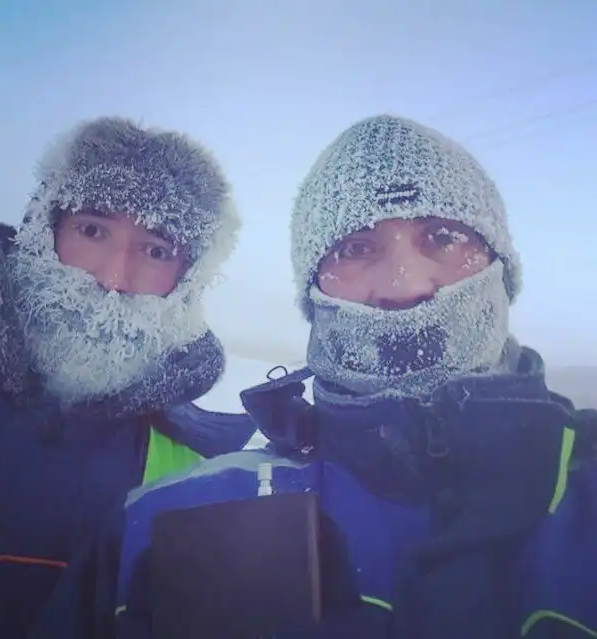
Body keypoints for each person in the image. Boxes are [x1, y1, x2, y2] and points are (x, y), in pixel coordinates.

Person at [32, 115, 597, 639]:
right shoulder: (166, 521)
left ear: (502, 266)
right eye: (357, 247)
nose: (403, 284)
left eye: (444, 238)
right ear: (312, 291)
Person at [0, 116, 255, 639]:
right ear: (42, 230)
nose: (113, 279)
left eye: (156, 250)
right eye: (93, 230)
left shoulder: (202, 474)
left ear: (188, 281)